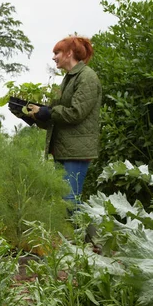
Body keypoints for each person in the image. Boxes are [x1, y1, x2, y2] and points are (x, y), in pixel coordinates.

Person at [28, 36, 101, 209]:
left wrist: (49, 112)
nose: (53, 57)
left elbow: (76, 113)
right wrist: (37, 116)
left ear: (69, 53)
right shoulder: (69, 78)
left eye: (57, 53)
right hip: (64, 150)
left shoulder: (87, 77)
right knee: (65, 203)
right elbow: (57, 117)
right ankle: (78, 236)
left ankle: (88, 236)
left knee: (70, 203)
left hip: (76, 151)